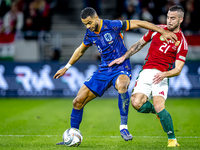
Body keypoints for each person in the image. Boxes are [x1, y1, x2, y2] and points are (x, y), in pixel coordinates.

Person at [53, 7, 177, 144]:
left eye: (89, 23)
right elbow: (80, 50)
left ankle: (123, 127)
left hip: (121, 67)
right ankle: (73, 134)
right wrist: (66, 67)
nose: (88, 26)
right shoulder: (90, 33)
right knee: (77, 101)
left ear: (96, 17)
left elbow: (141, 23)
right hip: (104, 69)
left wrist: (162, 31)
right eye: (85, 24)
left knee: (122, 85)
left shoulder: (113, 25)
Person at [109, 5, 187, 147]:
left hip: (162, 74)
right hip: (146, 71)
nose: (169, 21)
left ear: (180, 20)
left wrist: (164, 74)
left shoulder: (182, 42)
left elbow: (178, 69)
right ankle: (157, 113)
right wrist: (124, 57)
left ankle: (172, 139)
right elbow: (139, 44)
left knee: (159, 106)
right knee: (136, 103)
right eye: (168, 17)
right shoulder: (157, 30)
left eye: (173, 18)